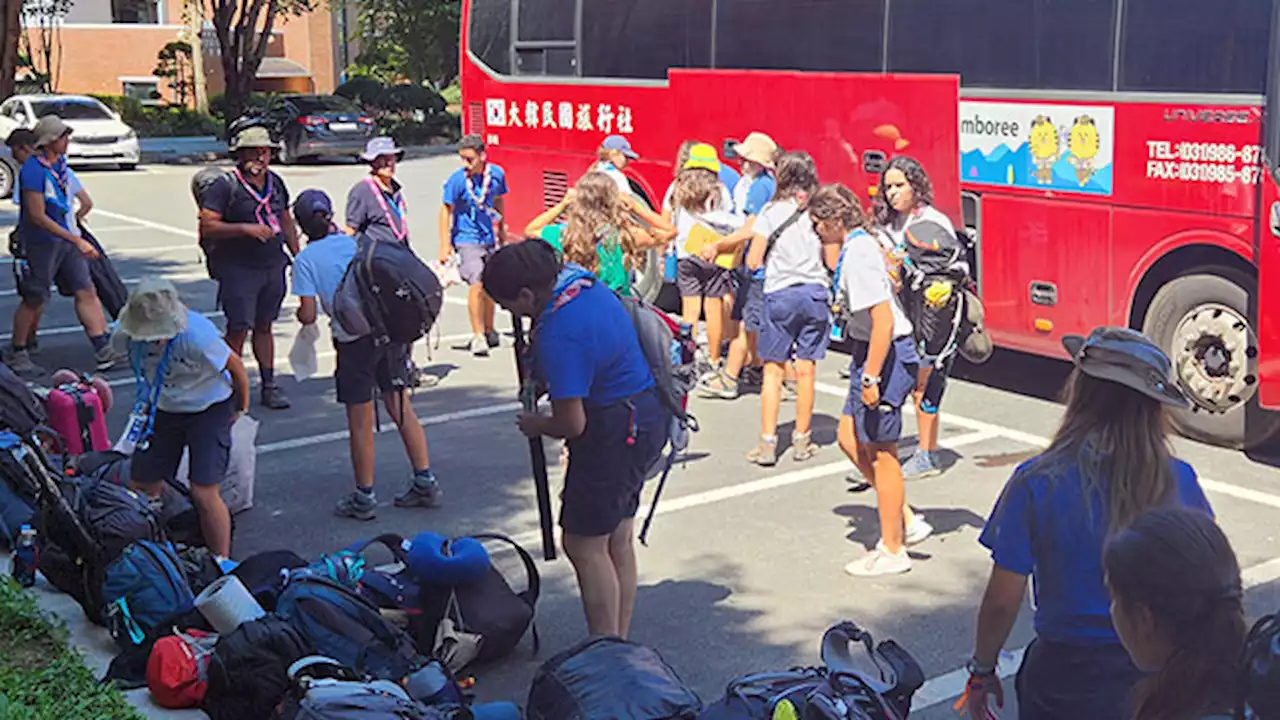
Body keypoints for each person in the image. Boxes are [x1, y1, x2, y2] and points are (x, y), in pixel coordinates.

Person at [962, 326, 1213, 720]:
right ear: (1152, 408)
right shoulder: (1178, 480)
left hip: (1065, 674)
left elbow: (1001, 600)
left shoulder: (1037, 480)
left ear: (1080, 393)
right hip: (1155, 671)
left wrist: (981, 670)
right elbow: (1207, 583)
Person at [483, 240, 668, 639]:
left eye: (507, 304)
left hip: (614, 429)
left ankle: (605, 648)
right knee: (616, 534)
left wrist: (537, 424)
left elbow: (572, 423)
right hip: (645, 412)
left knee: (583, 543)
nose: (507, 313)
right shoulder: (579, 282)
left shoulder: (561, 336)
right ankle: (617, 642)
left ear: (527, 294)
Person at [291, 189, 441, 519]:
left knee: (360, 421)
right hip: (388, 332)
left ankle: (364, 496)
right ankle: (424, 480)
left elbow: (308, 314)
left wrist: (302, 318)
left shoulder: (305, 261)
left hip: (352, 340)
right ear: (329, 215)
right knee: (401, 406)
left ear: (300, 224)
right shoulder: (355, 242)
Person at [809, 184, 932, 577]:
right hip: (873, 349)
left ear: (833, 220)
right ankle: (904, 519)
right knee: (849, 436)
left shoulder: (859, 254)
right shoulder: (861, 243)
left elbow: (882, 320)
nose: (815, 231)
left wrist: (871, 375)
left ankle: (893, 548)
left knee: (883, 452)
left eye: (817, 223)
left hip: (887, 352)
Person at [121, 277, 249, 561]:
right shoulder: (126, 334)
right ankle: (153, 548)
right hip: (163, 407)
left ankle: (221, 561)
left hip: (209, 405)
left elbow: (237, 368)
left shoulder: (198, 336)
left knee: (203, 491)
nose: (155, 339)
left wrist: (240, 407)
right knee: (142, 483)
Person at [1104, 507, 1246, 720]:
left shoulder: (1180, 704)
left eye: (1113, 598)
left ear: (1144, 619)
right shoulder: (1260, 682)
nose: (1111, 610)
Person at [743, 151, 838, 466]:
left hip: (780, 295)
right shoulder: (820, 212)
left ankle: (767, 443)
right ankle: (802, 440)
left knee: (773, 369)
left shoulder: (769, 213)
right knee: (806, 369)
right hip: (814, 296)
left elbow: (753, 261)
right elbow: (832, 261)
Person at [6, 116, 118, 377]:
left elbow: (76, 201)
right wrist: (75, 239)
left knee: (86, 289)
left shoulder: (60, 165)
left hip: (65, 239)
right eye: (62, 136)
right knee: (34, 297)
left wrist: (74, 232)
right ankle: (18, 350)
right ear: (48, 142)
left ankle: (103, 347)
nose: (67, 140)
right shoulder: (33, 171)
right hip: (42, 243)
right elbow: (37, 215)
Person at [198, 125, 299, 410]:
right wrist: (244, 229)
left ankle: (269, 385)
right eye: (253, 152)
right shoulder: (224, 186)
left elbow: (286, 219)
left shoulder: (275, 182)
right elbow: (208, 225)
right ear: (240, 155)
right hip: (238, 267)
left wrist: (297, 255)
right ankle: (230, 386)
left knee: (265, 325)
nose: (260, 157)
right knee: (239, 328)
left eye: (264, 152)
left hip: (272, 265)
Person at [875, 157, 963, 479]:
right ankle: (884, 452)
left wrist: (910, 272)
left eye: (899, 185)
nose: (893, 193)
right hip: (896, 319)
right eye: (888, 187)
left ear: (916, 185)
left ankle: (927, 454)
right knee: (892, 386)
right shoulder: (886, 223)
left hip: (931, 322)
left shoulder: (933, 221)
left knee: (924, 389)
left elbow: (953, 270)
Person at [699, 131, 778, 399]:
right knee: (750, 320)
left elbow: (750, 228)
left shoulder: (759, 187)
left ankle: (730, 377)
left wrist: (719, 245)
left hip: (755, 265)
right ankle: (755, 367)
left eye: (746, 159)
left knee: (744, 321)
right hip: (755, 264)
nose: (741, 162)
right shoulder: (760, 184)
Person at [524, 172, 673, 295]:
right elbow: (669, 231)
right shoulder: (623, 236)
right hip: (616, 311)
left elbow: (530, 230)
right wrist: (636, 207)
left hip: (576, 308)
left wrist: (561, 206)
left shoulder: (564, 234)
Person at [666, 144, 744, 376]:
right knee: (713, 308)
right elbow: (731, 218)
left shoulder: (676, 188)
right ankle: (713, 358)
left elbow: (670, 218)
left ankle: (687, 358)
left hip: (686, 253)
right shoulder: (719, 189)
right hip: (713, 253)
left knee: (689, 311)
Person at [439, 134, 508, 357]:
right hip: (466, 239)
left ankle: (489, 327)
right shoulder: (457, 180)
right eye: (462, 159)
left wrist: (502, 227)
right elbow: (445, 211)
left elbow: (498, 199)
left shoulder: (496, 174)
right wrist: (444, 245)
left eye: (470, 159)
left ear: (482, 156)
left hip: (488, 237)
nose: (465, 164)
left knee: (490, 284)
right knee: (476, 281)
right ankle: (477, 334)